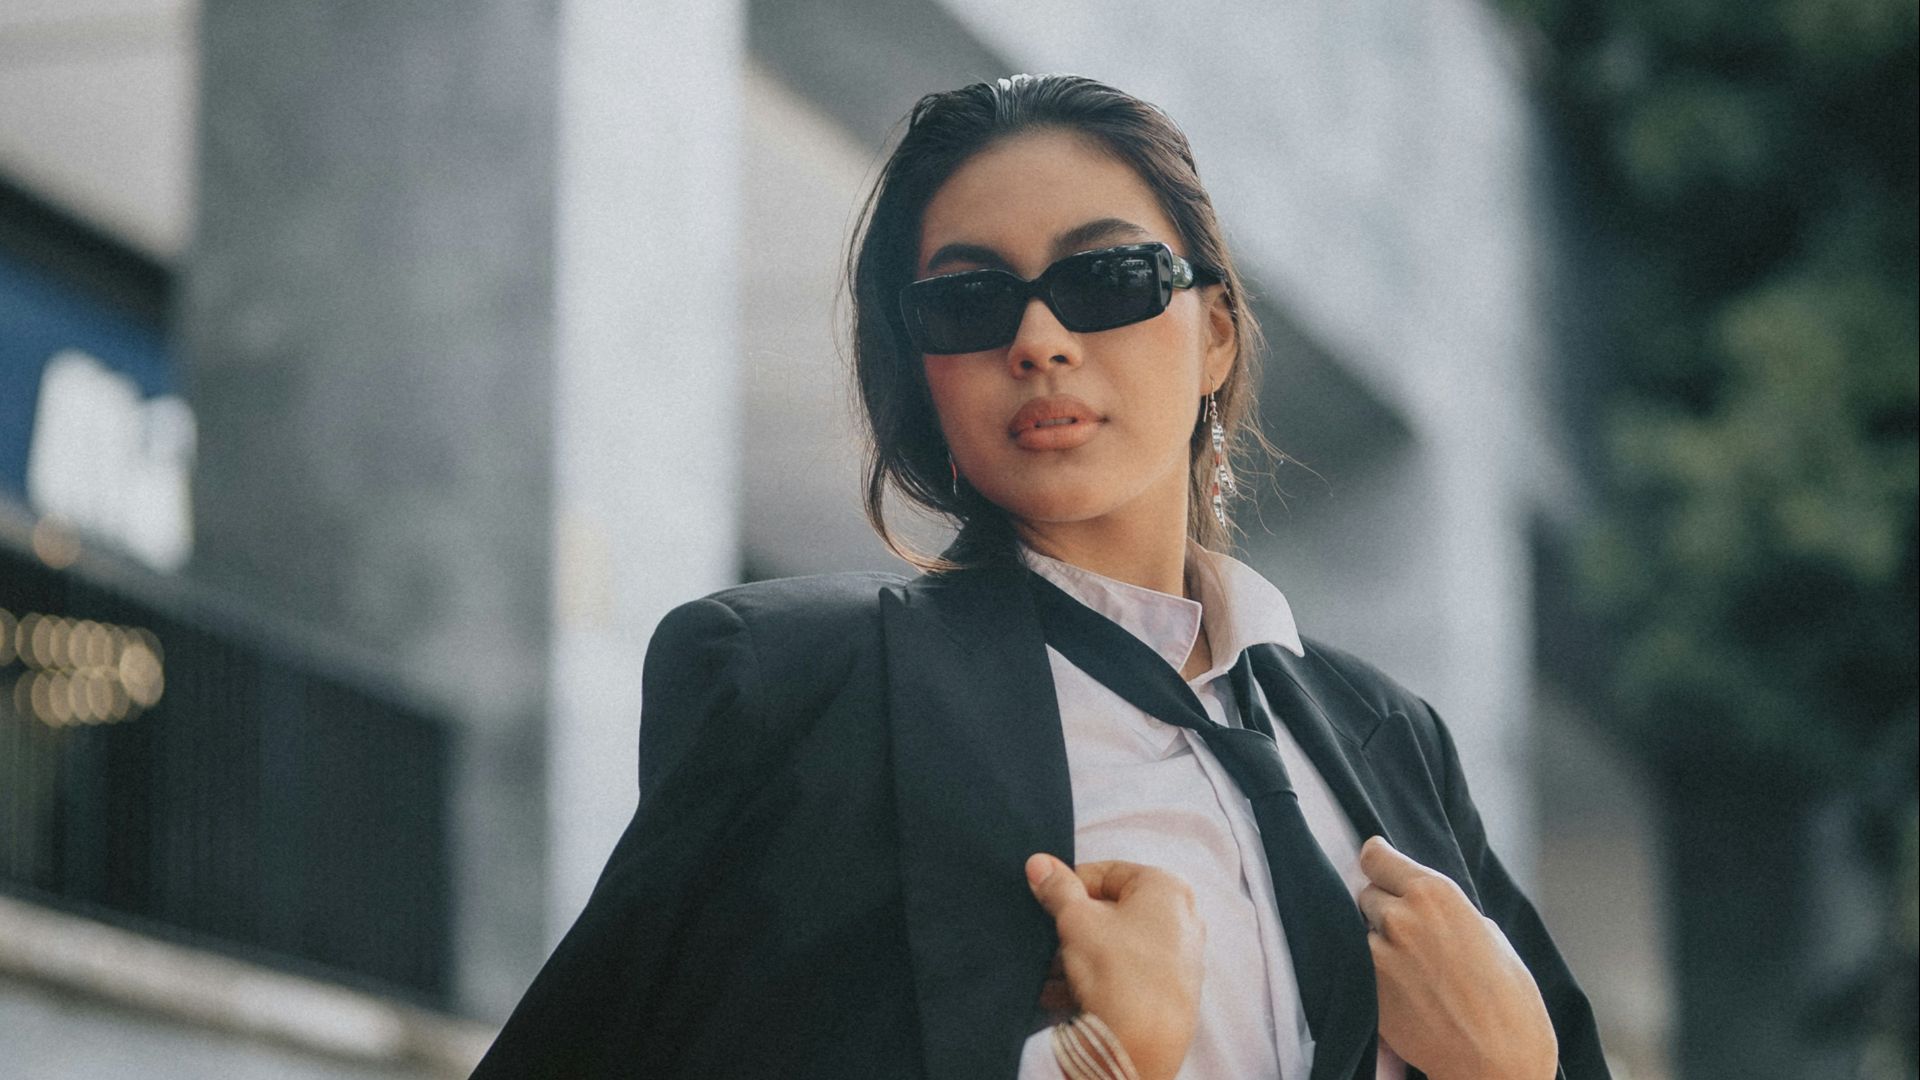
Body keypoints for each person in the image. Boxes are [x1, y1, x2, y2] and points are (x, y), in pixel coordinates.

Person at [470, 73, 1610, 1080]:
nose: (1041, 339)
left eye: (1107, 277)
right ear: (922, 374)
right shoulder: (799, 685)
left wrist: (1516, 1073)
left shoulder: (1388, 734)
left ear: (1214, 332)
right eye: (970, 300)